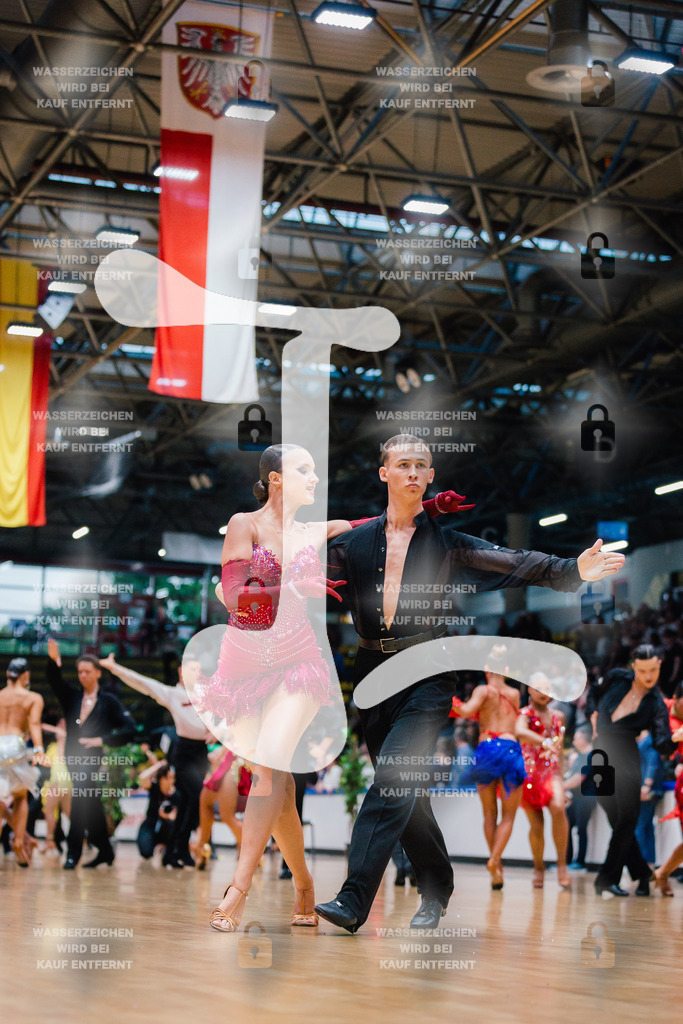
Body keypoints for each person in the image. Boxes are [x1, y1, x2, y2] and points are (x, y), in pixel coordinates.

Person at [315, 433, 625, 932]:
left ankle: (355, 900)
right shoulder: (352, 542)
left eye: (422, 465)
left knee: (394, 777)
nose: (414, 472)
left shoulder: (447, 543)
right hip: (371, 674)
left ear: (431, 476)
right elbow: (299, 567)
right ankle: (436, 888)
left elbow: (513, 561)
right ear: (385, 474)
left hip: (429, 672)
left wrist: (573, 570)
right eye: (404, 464)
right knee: (407, 795)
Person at [185, 442, 466, 932]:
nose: (315, 479)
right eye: (304, 470)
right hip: (246, 664)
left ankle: (237, 889)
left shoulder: (319, 531)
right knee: (278, 781)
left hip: (298, 662)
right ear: (276, 479)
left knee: (271, 766)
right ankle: (304, 885)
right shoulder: (243, 524)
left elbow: (379, 523)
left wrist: (429, 507)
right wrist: (292, 588)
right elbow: (234, 598)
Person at [98, 653, 209, 868]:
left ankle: (175, 852)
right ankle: (179, 848)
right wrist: (114, 668)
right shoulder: (172, 694)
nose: (197, 674)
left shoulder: (207, 694)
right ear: (181, 671)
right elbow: (142, 683)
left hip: (201, 752)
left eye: (199, 670)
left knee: (188, 802)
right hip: (183, 751)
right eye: (192, 669)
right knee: (196, 795)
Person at [589, 644, 675, 896]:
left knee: (626, 818)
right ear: (634, 666)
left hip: (626, 755)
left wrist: (676, 738)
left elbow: (661, 743)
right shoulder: (617, 676)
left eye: (653, 670)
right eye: (643, 670)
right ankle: (642, 873)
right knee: (616, 817)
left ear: (659, 665)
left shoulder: (657, 704)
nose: (649, 676)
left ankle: (606, 877)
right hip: (601, 751)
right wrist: (593, 713)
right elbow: (594, 691)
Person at [46, 639, 137, 869]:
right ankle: (105, 850)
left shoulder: (109, 702)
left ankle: (73, 852)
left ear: (97, 673)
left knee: (79, 794)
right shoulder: (72, 699)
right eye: (79, 672)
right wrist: (54, 661)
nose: (82, 675)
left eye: (87, 671)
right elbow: (55, 682)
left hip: (92, 757)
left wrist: (102, 740)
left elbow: (130, 729)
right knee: (91, 801)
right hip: (71, 757)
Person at [450, 646, 526, 890]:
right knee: (510, 815)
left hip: (486, 749)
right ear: (505, 669)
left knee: (489, 814)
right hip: (511, 748)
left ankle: (496, 865)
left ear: (486, 669)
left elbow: (464, 710)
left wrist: (448, 699)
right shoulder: (515, 693)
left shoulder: (482, 690)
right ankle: (495, 861)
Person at [516, 676, 570, 888]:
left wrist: (562, 778)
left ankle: (562, 865)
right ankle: (538, 867)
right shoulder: (524, 714)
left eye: (547, 687)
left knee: (558, 808)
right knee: (537, 825)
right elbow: (520, 732)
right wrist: (544, 741)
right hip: (529, 776)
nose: (543, 691)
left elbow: (561, 750)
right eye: (539, 687)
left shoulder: (559, 716)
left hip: (552, 773)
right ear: (529, 689)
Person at [0, 658, 44, 866]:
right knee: (20, 796)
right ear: (25, 675)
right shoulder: (32, 697)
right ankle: (18, 842)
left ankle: (19, 839)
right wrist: (38, 749)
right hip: (16, 744)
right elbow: (34, 723)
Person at [191, 745, 253, 869]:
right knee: (205, 800)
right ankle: (201, 846)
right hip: (228, 761)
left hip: (237, 764)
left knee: (227, 816)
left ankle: (253, 850)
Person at [564, 726, 596, 871]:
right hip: (577, 798)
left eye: (576, 738)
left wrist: (560, 787)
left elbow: (578, 779)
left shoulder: (589, 756)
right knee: (567, 825)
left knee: (581, 829)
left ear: (583, 739)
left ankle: (580, 862)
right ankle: (567, 860)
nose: (574, 741)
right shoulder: (580, 756)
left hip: (586, 798)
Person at [40, 718, 72, 854]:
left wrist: (56, 729)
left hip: (62, 781)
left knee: (51, 810)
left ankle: (50, 841)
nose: (59, 727)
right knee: (62, 812)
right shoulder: (53, 747)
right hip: (60, 781)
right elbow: (46, 762)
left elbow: (42, 725)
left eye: (62, 725)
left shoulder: (69, 744)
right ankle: (51, 841)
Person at [136, 762, 179, 860]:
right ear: (162, 779)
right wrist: (158, 765)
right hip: (150, 824)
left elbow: (175, 816)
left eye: (173, 777)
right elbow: (142, 777)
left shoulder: (176, 794)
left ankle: (165, 847)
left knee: (171, 825)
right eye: (169, 777)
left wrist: (165, 816)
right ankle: (151, 846)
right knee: (145, 852)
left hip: (166, 826)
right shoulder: (154, 787)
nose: (172, 781)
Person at [634, 729, 664, 868]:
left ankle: (641, 863)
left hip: (647, 790)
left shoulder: (648, 742)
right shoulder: (648, 742)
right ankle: (648, 862)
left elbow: (653, 762)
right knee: (646, 826)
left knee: (640, 826)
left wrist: (646, 785)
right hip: (651, 789)